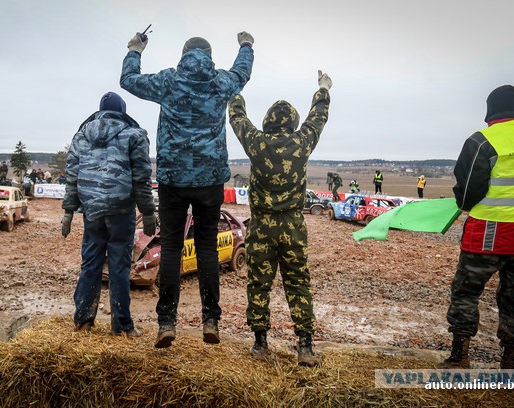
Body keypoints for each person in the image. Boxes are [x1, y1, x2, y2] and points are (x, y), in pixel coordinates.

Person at [120, 30, 254, 348]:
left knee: (170, 249)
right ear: (209, 56)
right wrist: (246, 46)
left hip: (173, 180)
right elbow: (242, 73)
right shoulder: (220, 82)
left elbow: (128, 80)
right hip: (210, 179)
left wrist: (135, 50)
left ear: (183, 55)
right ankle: (211, 320)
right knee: (207, 249)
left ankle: (167, 323)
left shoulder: (168, 81)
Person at [228, 69, 332, 366]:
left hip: (261, 226)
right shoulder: (302, 142)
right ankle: (305, 346)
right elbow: (318, 117)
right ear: (293, 122)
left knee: (258, 283)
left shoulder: (257, 143)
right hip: (293, 226)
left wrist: (235, 89)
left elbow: (237, 117)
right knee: (298, 283)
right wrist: (323, 89)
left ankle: (260, 343)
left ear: (268, 121)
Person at [439, 85, 514, 370]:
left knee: (466, 292)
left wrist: (462, 202)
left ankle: (459, 356)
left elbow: (467, 193)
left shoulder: (481, 141)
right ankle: (509, 364)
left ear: (490, 111)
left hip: (488, 234)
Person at [61, 91, 157, 337]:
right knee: (119, 266)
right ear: (122, 110)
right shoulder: (134, 135)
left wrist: (69, 211)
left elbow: (72, 175)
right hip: (121, 210)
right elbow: (142, 177)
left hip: (91, 210)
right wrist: (147, 212)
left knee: (90, 264)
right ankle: (122, 326)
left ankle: (83, 320)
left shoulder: (81, 136)